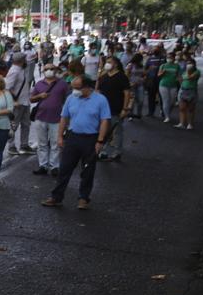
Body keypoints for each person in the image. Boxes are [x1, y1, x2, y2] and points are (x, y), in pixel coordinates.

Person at [42, 76, 113, 210]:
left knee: (87, 170)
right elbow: (64, 117)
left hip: (91, 138)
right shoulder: (71, 98)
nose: (74, 91)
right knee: (64, 169)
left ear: (87, 87)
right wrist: (60, 137)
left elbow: (105, 121)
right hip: (73, 137)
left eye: (77, 88)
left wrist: (100, 141)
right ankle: (56, 197)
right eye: (73, 87)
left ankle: (83, 198)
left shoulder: (100, 100)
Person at [30, 64, 69, 175]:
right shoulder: (39, 84)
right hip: (40, 117)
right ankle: (43, 165)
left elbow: (68, 99)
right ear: (43, 71)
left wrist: (67, 117)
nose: (49, 71)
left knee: (55, 144)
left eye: (51, 69)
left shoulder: (62, 84)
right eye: (46, 69)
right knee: (42, 144)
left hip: (57, 118)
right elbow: (31, 99)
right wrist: (39, 96)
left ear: (56, 70)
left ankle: (54, 166)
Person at [95, 55, 132, 159]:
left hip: (116, 108)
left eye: (109, 62)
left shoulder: (121, 77)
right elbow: (98, 91)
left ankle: (117, 151)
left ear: (115, 64)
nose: (107, 64)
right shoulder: (103, 77)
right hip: (103, 109)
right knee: (103, 131)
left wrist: (125, 108)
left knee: (116, 131)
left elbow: (127, 93)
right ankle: (103, 151)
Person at [5, 54, 33, 154]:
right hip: (17, 103)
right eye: (25, 59)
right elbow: (7, 87)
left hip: (25, 101)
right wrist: (13, 101)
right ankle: (11, 146)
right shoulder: (14, 71)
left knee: (26, 124)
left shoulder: (20, 69)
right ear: (21, 60)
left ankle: (24, 145)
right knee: (14, 125)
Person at [157, 51, 181, 123]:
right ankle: (167, 116)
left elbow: (179, 76)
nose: (169, 59)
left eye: (171, 57)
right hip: (163, 84)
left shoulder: (177, 66)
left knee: (172, 101)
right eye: (168, 57)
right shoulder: (163, 65)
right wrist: (162, 72)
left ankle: (167, 112)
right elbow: (159, 75)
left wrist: (181, 82)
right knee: (166, 101)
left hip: (173, 85)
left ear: (174, 58)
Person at [177, 59, 201, 130]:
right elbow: (180, 79)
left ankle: (190, 124)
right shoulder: (183, 71)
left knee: (191, 108)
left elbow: (190, 77)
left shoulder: (197, 71)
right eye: (187, 63)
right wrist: (182, 80)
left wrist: (186, 74)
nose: (189, 65)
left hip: (192, 91)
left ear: (194, 64)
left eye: (190, 63)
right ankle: (181, 123)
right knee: (182, 108)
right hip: (183, 90)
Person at [126, 52, 147, 119]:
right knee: (132, 100)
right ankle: (131, 114)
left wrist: (143, 79)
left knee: (141, 99)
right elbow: (127, 74)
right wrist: (129, 83)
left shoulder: (141, 66)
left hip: (140, 84)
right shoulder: (130, 65)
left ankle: (139, 113)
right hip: (132, 84)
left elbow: (144, 74)